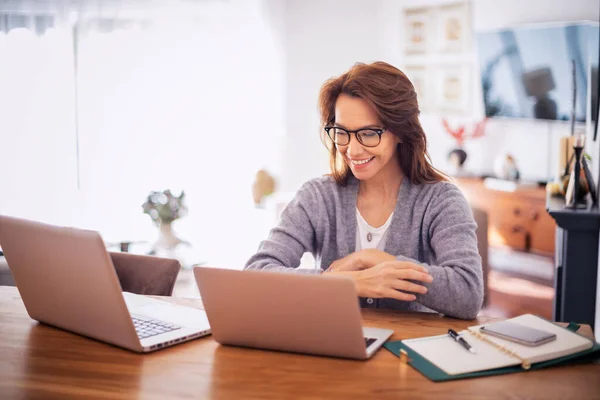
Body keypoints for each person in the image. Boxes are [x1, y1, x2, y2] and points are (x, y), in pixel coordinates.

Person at [245, 61, 483, 320]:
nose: (352, 150)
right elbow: (257, 272)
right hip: (330, 345)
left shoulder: (441, 201)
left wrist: (377, 261)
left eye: (369, 134)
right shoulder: (318, 197)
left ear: (401, 132)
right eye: (342, 132)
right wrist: (345, 282)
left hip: (407, 352)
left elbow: (468, 292)